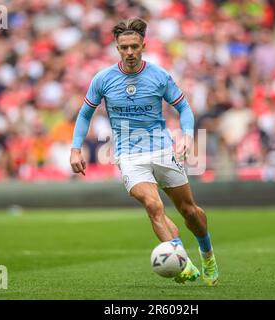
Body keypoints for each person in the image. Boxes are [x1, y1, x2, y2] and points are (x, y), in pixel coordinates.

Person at [70, 18, 219, 286]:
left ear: (143, 46)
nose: (129, 52)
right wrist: (75, 149)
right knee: (153, 205)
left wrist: (186, 136)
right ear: (117, 48)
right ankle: (182, 262)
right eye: (124, 47)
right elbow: (84, 114)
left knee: (189, 212)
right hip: (129, 155)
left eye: (134, 47)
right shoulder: (103, 79)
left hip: (162, 149)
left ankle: (207, 256)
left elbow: (184, 109)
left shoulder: (159, 76)